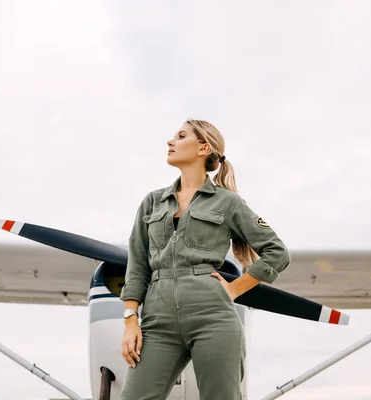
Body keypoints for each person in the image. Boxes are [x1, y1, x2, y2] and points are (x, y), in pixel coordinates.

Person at [118, 119, 291, 400]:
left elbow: (277, 252)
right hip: (157, 322)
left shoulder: (228, 202)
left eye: (181, 135)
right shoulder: (152, 202)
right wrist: (130, 319)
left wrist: (236, 288)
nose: (170, 141)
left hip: (213, 318)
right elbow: (137, 264)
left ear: (203, 148)